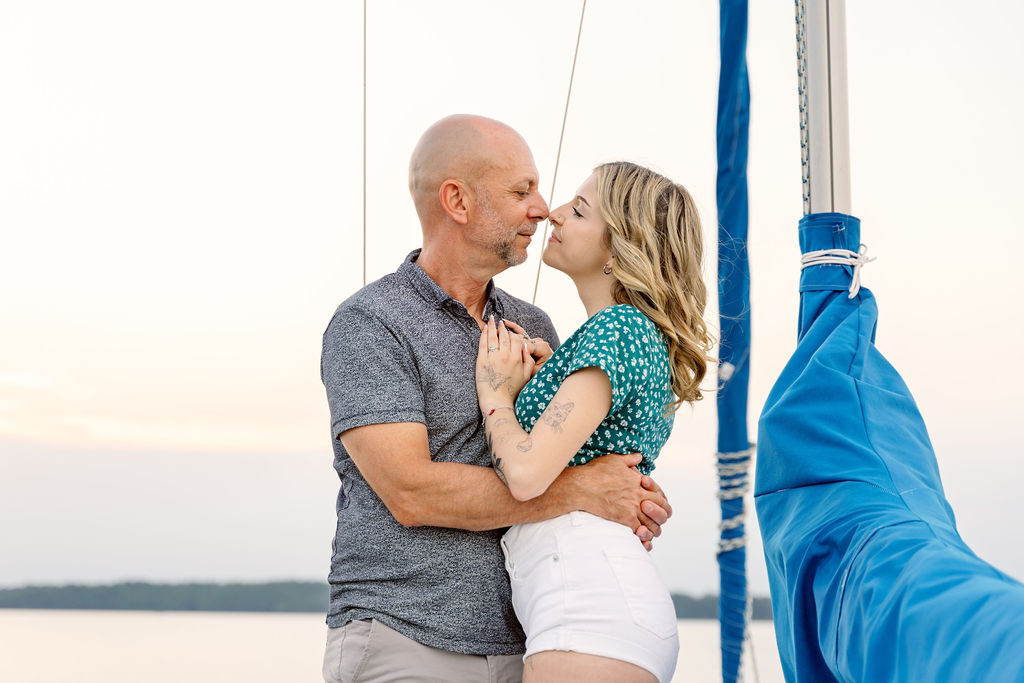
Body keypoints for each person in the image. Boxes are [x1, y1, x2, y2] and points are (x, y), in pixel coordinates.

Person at [319, 115, 673, 683]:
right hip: (408, 636)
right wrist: (580, 492)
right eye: (520, 190)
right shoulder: (371, 324)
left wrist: (633, 495)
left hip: (536, 640)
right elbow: (411, 492)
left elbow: (576, 457)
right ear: (457, 201)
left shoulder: (536, 325)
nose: (542, 206)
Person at [475, 162, 713, 683]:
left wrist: (496, 393)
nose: (554, 213)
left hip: (585, 610)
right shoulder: (627, 337)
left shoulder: (619, 329)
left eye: (579, 211)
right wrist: (548, 377)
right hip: (596, 606)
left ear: (618, 250)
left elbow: (527, 474)